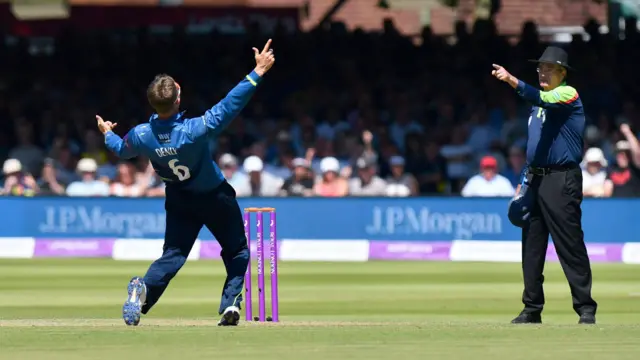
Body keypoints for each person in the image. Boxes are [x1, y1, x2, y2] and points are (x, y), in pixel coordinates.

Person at [97, 39, 275, 327]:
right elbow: (228, 107)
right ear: (178, 98)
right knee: (237, 250)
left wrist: (107, 132)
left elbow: (120, 150)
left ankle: (144, 291)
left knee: (174, 255)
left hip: (179, 199)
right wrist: (257, 73)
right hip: (214, 196)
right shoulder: (193, 130)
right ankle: (230, 303)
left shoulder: (142, 135)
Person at [493, 46, 597, 324]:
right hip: (536, 177)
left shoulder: (567, 93)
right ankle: (531, 308)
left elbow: (538, 96)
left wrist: (511, 80)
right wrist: (523, 182)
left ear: (562, 73)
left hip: (562, 178)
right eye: (540, 67)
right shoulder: (536, 108)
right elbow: (535, 147)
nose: (542, 71)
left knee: (569, 243)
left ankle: (585, 308)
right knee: (532, 246)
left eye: (549, 68)